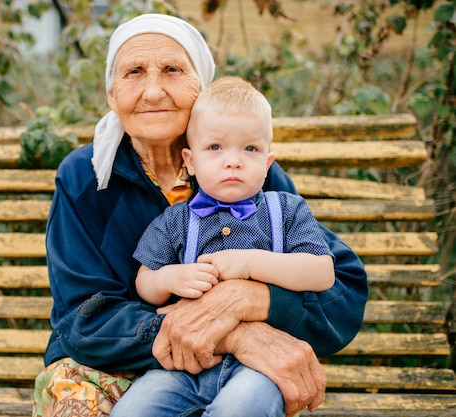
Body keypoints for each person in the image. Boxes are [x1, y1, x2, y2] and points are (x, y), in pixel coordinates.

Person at [32, 13, 368, 417]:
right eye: (134, 72)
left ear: (201, 87)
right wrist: (233, 332)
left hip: (240, 376)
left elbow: (340, 288)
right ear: (111, 94)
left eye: (173, 70)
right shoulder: (84, 177)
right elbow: (83, 316)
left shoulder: (245, 171)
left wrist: (254, 298)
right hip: (111, 366)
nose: (153, 92)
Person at [110, 76, 335, 417]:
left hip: (260, 366)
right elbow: (145, 281)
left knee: (240, 409)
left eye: (250, 149)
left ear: (268, 163)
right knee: (133, 411)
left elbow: (322, 273)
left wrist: (250, 264)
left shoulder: (286, 210)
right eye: (215, 148)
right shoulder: (175, 220)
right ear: (190, 161)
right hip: (184, 367)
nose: (233, 161)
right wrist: (169, 278)